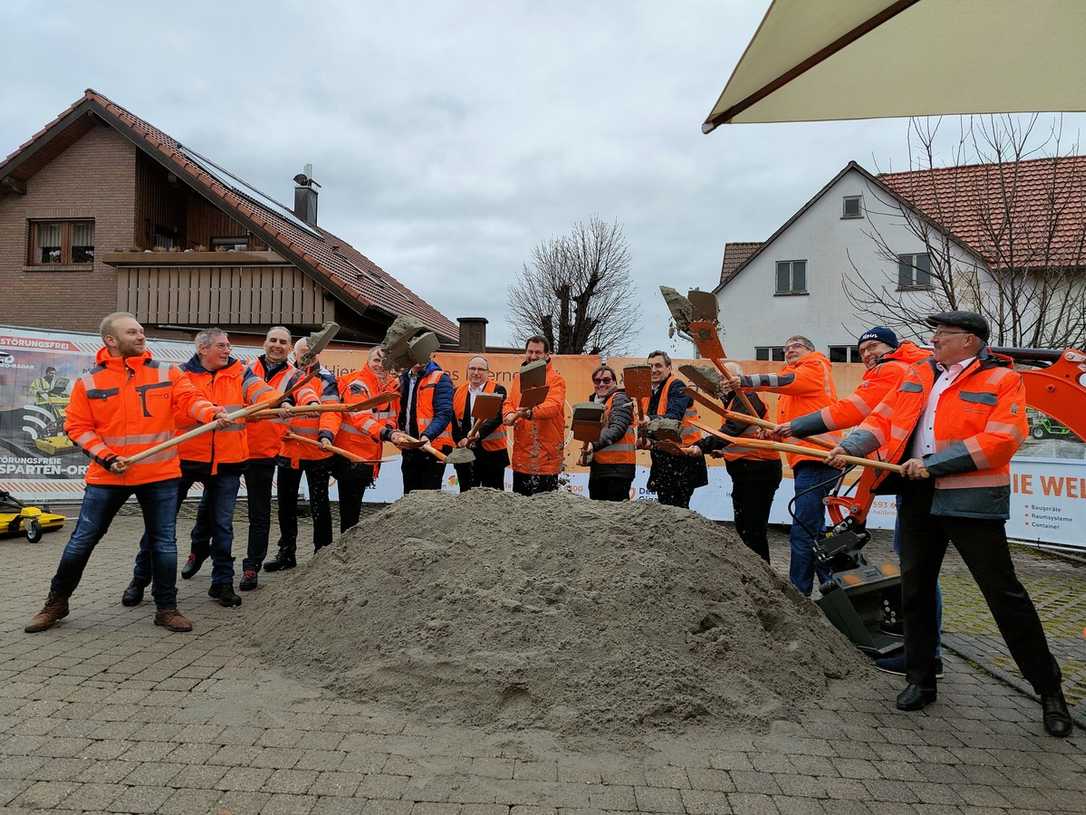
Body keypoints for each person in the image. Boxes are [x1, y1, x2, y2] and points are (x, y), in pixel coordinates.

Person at [826, 311, 1073, 737]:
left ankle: (1050, 691)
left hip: (971, 500)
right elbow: (882, 419)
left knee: (1004, 595)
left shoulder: (1000, 379)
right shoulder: (920, 373)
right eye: (935, 332)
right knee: (916, 589)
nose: (934, 339)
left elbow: (1002, 438)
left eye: (943, 333)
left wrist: (935, 464)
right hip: (917, 494)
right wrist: (849, 446)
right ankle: (920, 681)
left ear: (971, 341)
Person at [25, 312, 217, 634]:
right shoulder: (90, 382)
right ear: (111, 341)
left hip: (159, 474)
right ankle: (57, 602)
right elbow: (77, 427)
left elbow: (191, 401)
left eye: (141, 331)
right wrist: (106, 456)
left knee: (164, 543)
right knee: (82, 541)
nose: (141, 336)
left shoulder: (167, 372)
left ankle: (166, 608)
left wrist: (211, 413)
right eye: (132, 332)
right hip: (108, 476)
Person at [781, 326, 935, 672]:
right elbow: (877, 423)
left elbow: (854, 410)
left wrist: (798, 427)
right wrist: (847, 447)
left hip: (922, 477)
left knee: (919, 563)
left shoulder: (894, 369)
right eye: (862, 348)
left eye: (873, 346)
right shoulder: (903, 372)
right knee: (911, 560)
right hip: (903, 473)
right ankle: (921, 644)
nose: (867, 354)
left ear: (892, 348)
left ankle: (924, 648)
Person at [126, 328, 277, 608]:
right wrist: (205, 414)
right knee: (160, 524)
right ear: (203, 349)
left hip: (229, 462)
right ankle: (140, 579)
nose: (227, 350)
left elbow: (262, 392)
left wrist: (279, 401)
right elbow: (174, 412)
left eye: (229, 345)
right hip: (184, 460)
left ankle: (222, 583)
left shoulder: (241, 373)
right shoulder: (181, 375)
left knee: (223, 526)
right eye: (221, 345)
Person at [725, 335, 838, 595]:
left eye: (796, 346)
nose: (789, 351)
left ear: (810, 350)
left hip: (817, 457)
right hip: (807, 457)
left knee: (802, 530)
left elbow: (786, 381)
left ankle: (798, 593)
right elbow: (797, 422)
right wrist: (775, 433)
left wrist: (747, 381)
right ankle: (832, 583)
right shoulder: (795, 384)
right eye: (786, 349)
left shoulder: (814, 366)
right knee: (814, 527)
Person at [687, 362, 780, 562]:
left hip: (759, 470)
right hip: (747, 470)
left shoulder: (746, 397)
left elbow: (732, 430)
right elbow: (739, 436)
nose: (721, 382)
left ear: (736, 379)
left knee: (753, 528)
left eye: (724, 378)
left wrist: (702, 446)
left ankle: (762, 574)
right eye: (719, 378)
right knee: (745, 526)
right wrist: (724, 450)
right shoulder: (732, 402)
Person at [265, 337, 339, 571]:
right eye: (302, 352)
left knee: (320, 505)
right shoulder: (287, 376)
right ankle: (287, 553)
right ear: (294, 354)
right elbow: (274, 406)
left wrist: (326, 434)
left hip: (317, 451)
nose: (307, 356)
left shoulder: (326, 379)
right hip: (289, 450)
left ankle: (322, 553)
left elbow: (331, 412)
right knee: (286, 506)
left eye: (311, 352)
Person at [238, 326, 299, 591]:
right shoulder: (245, 368)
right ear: (264, 343)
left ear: (290, 347)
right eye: (273, 340)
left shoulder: (295, 376)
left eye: (283, 342)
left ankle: (251, 566)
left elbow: (306, 396)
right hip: (234, 447)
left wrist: (302, 406)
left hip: (264, 451)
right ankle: (199, 551)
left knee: (259, 513)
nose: (277, 345)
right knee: (211, 509)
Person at [321, 346, 398, 531]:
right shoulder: (359, 385)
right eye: (376, 360)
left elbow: (391, 417)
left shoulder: (387, 386)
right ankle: (345, 552)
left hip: (367, 456)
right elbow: (361, 418)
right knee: (350, 513)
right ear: (368, 361)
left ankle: (347, 549)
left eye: (384, 361)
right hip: (350, 456)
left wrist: (389, 428)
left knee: (353, 510)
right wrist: (388, 434)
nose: (380, 365)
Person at [640, 350, 706, 508]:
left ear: (669, 368)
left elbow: (673, 417)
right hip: (664, 457)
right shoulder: (650, 392)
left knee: (678, 510)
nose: (654, 370)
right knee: (667, 509)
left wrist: (649, 419)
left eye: (658, 365)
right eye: (650, 366)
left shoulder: (677, 386)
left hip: (683, 457)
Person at [503, 336, 567, 496]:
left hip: (546, 458)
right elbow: (509, 402)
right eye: (530, 351)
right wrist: (509, 413)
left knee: (544, 511)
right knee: (521, 510)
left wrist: (531, 413)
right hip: (522, 457)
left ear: (547, 355)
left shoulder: (556, 379)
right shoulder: (518, 379)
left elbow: (553, 406)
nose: (532, 356)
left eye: (538, 353)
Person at [385, 350, 454, 493]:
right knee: (410, 495)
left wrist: (427, 435)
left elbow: (444, 413)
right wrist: (395, 429)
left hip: (433, 447)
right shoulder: (403, 379)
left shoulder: (440, 378)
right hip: (410, 447)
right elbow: (397, 411)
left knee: (429, 499)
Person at [450, 355, 508, 491]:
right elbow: (453, 420)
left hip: (492, 455)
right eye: (472, 368)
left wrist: (479, 433)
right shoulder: (457, 392)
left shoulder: (497, 390)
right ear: (467, 370)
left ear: (488, 372)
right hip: (464, 454)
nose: (476, 372)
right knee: (466, 496)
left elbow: (497, 417)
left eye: (481, 369)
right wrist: (459, 440)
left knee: (494, 498)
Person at [583, 365, 635, 501]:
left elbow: (617, 428)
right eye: (597, 380)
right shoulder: (597, 403)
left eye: (606, 380)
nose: (601, 384)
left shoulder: (621, 398)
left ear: (614, 382)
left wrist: (592, 445)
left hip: (617, 470)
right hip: (601, 468)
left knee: (616, 518)